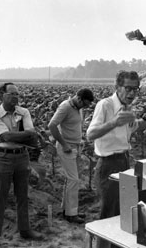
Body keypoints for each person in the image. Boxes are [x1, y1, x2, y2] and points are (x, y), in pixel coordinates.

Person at [87, 70, 146, 248]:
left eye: (135, 89)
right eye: (128, 88)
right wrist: (114, 122)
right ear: (117, 87)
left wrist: (145, 124)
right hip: (108, 165)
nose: (132, 93)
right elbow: (90, 134)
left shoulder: (128, 108)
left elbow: (130, 129)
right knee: (108, 216)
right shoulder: (105, 105)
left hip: (124, 162)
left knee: (124, 215)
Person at [0, 83, 43, 248]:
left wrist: (18, 136)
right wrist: (25, 135)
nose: (16, 97)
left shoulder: (24, 112)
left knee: (22, 196)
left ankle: (25, 230)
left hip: (22, 157)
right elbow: (5, 137)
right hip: (3, 158)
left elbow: (30, 136)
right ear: (2, 95)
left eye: (17, 94)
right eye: (12, 94)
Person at [48, 88, 95, 224]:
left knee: (71, 180)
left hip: (76, 147)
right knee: (73, 180)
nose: (85, 107)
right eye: (84, 104)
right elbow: (52, 125)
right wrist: (64, 144)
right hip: (67, 148)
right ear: (79, 98)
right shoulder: (65, 107)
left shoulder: (77, 107)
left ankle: (67, 210)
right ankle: (71, 214)